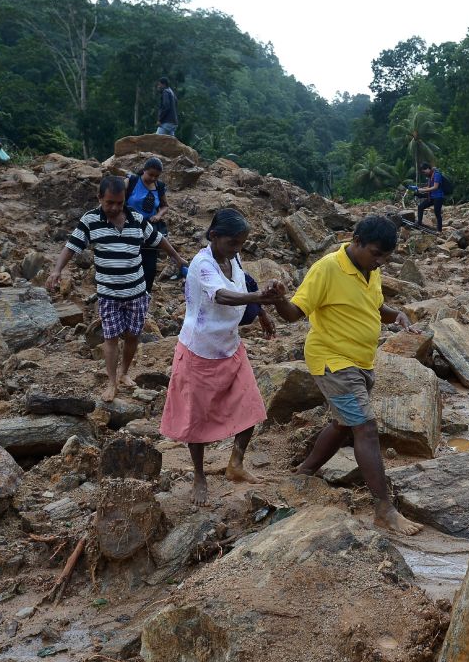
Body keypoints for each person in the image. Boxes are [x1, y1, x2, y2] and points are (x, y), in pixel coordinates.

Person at [268, 215, 423, 536]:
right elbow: (294, 314)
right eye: (376, 254)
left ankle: (306, 470)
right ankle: (384, 509)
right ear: (356, 241)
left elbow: (376, 307)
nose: (380, 262)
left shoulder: (371, 271)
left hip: (361, 361)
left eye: (385, 258)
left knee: (342, 423)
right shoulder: (327, 269)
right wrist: (278, 298)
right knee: (364, 428)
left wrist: (399, 316)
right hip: (332, 360)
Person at [160, 208, 282, 506]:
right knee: (196, 418)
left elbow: (245, 283)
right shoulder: (202, 264)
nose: (237, 249)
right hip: (199, 350)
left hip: (229, 346)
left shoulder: (233, 258)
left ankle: (235, 464)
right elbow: (222, 295)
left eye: (241, 244)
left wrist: (261, 312)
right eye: (233, 243)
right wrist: (259, 299)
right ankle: (199, 476)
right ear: (214, 236)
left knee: (251, 405)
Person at [45, 176, 188, 402]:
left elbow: (158, 239)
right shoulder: (91, 220)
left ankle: (124, 374)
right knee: (110, 338)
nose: (114, 208)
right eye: (109, 202)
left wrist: (178, 259)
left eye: (119, 203)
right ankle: (111, 382)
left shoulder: (136, 219)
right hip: (109, 294)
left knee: (133, 336)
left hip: (137, 292)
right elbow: (71, 246)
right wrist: (56, 270)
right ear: (100, 198)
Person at [125, 157, 172, 293]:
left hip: (149, 230)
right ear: (144, 171)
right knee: (130, 263)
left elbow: (165, 206)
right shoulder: (132, 181)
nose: (153, 178)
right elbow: (117, 196)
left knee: (150, 267)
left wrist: (158, 215)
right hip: (130, 228)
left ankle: (145, 295)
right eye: (150, 175)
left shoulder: (159, 187)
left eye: (156, 176)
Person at [414, 162, 445, 231]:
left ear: (428, 168)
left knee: (437, 213)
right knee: (420, 207)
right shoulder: (430, 176)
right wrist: (419, 189)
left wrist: (423, 190)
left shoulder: (437, 174)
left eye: (424, 171)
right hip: (431, 197)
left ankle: (439, 230)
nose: (424, 173)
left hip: (438, 197)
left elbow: (435, 187)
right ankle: (419, 223)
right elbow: (429, 187)